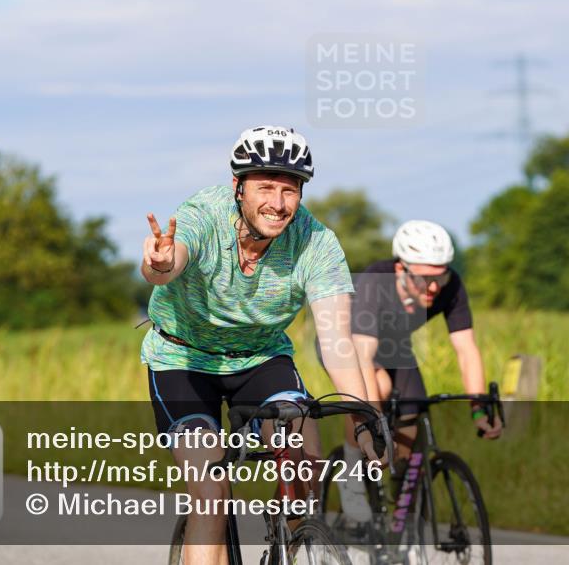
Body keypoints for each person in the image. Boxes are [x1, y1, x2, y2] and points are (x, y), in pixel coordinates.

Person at [140, 125, 379, 565]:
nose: (278, 203)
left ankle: (291, 542)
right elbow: (170, 261)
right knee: (211, 492)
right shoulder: (203, 214)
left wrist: (364, 414)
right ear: (238, 187)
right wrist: (159, 263)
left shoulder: (317, 243)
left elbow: (337, 341)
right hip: (184, 361)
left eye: (290, 190)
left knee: (304, 465)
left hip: (261, 357)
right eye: (265, 187)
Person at [337, 220, 503, 522]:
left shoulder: (450, 286)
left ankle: (402, 513)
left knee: (412, 414)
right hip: (348, 342)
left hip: (395, 346)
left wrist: (479, 408)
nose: (433, 288)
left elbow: (466, 350)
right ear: (401, 270)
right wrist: (373, 420)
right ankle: (350, 475)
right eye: (424, 279)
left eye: (440, 277)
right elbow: (362, 357)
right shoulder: (377, 280)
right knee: (379, 387)